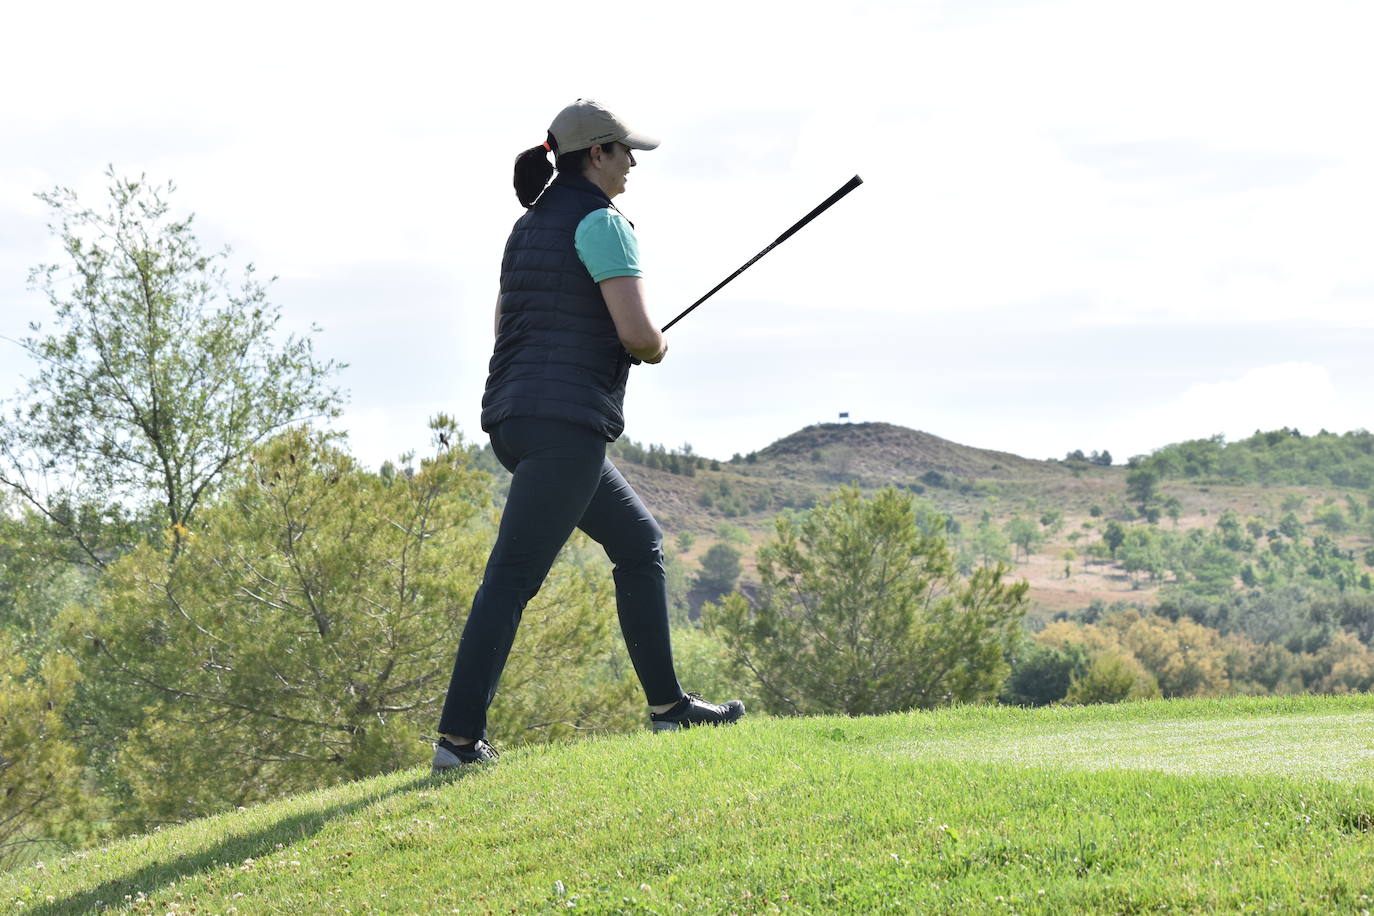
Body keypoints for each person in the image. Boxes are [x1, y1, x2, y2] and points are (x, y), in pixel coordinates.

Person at [432, 99, 744, 772]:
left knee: (639, 544)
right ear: (597, 154)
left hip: (516, 422)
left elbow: (508, 330)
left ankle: (669, 709)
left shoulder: (528, 227)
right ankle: (458, 743)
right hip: (564, 427)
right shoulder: (602, 223)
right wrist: (653, 346)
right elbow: (638, 335)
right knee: (511, 580)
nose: (633, 163)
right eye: (626, 151)